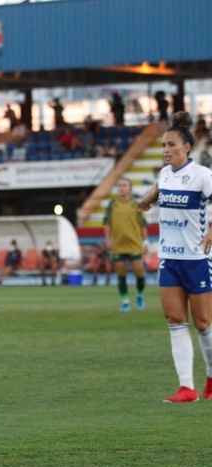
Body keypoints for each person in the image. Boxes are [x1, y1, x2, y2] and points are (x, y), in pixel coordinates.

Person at [138, 112, 212, 403]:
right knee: (174, 319)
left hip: (197, 257)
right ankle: (187, 388)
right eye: (163, 146)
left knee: (204, 323)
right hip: (169, 256)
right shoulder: (164, 173)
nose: (166, 150)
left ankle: (210, 378)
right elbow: (161, 187)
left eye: (170, 145)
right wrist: (147, 199)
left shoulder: (203, 176)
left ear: (186, 148)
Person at [104, 177, 148, 312]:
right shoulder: (112, 204)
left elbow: (142, 225)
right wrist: (108, 239)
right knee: (121, 273)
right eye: (120, 185)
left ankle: (139, 295)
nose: (122, 188)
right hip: (118, 244)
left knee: (139, 272)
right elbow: (107, 223)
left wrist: (145, 241)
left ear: (129, 188)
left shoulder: (136, 205)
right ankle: (125, 301)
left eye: (125, 185)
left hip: (134, 244)